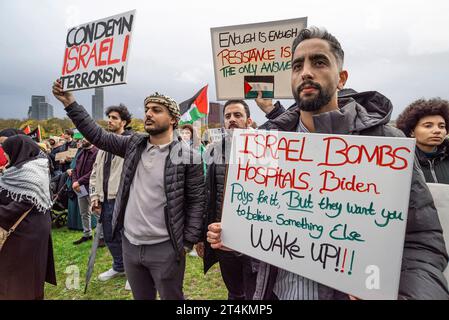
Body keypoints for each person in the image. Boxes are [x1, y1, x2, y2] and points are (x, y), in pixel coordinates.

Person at [207, 26, 449, 300]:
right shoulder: (264, 144)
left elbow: (423, 244)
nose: (306, 72)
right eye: (297, 66)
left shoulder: (386, 143)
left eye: (319, 62)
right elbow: (262, 227)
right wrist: (237, 236)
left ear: (341, 77)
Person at [52, 82, 205, 300]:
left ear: (173, 119)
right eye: (147, 110)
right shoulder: (134, 144)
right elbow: (97, 135)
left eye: (156, 110)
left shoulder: (189, 156)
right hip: (130, 244)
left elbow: (197, 201)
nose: (149, 114)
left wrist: (187, 243)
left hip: (166, 247)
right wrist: (70, 102)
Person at [198, 100, 258, 300]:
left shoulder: (264, 149)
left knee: (256, 292)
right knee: (234, 292)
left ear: (248, 120)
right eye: (228, 116)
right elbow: (207, 195)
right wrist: (201, 236)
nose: (232, 119)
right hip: (223, 236)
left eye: (237, 115)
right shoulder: (216, 151)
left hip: (255, 239)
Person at [0, 135, 56, 299]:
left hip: (26, 234)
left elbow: (20, 206)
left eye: (7, 152)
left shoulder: (30, 172)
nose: (6, 156)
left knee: (22, 279)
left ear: (18, 151)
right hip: (28, 230)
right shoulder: (23, 168)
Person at [90, 104, 132, 287]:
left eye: (115, 118)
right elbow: (94, 172)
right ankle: (119, 266)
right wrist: (94, 196)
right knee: (109, 236)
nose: (110, 120)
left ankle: (134, 273)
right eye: (109, 117)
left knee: (127, 237)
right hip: (104, 199)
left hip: (122, 199)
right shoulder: (102, 147)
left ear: (123, 122)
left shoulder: (130, 143)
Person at [396, 98, 449, 184]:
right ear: (411, 131)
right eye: (428, 126)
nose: (437, 130)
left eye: (442, 126)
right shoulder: (400, 161)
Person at [72, 137, 98, 245]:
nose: (83, 139)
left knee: (96, 212)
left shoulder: (97, 152)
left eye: (85, 137)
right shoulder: (81, 152)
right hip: (79, 187)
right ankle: (87, 234)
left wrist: (79, 182)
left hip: (91, 186)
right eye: (82, 138)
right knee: (84, 212)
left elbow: (94, 171)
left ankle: (102, 236)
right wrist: (75, 182)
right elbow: (74, 169)